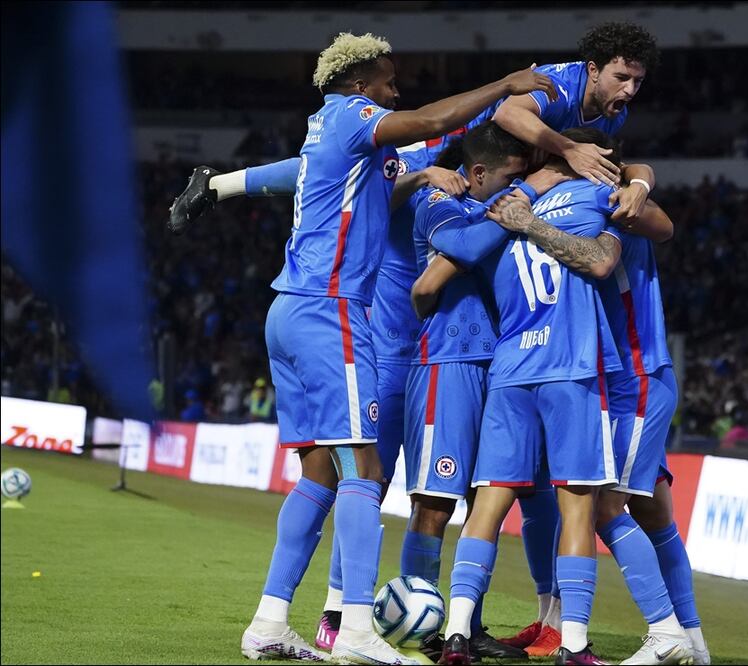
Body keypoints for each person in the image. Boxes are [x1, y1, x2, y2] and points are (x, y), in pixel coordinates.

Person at [180, 31, 555, 664]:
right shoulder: (355, 115)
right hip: (332, 311)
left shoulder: (331, 135)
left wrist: (222, 185)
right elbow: (434, 120)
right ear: (360, 86)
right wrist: (506, 84)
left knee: (319, 477)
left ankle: (269, 622)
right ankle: (354, 627)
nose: (395, 92)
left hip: (288, 310)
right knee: (366, 473)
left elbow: (301, 174)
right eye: (388, 81)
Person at [483, 128, 708, 664]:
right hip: (616, 378)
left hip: (634, 377)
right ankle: (693, 640)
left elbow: (655, 228)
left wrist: (636, 184)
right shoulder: (601, 203)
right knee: (654, 516)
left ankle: (665, 631)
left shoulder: (610, 208)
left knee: (604, 508)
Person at [404, 122, 533, 662]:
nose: (516, 188)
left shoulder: (495, 206)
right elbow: (454, 252)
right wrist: (515, 208)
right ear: (478, 173)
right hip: (448, 362)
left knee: (486, 504)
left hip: (499, 366)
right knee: (435, 503)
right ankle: (418, 626)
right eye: (510, 178)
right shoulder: (439, 201)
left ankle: (466, 626)